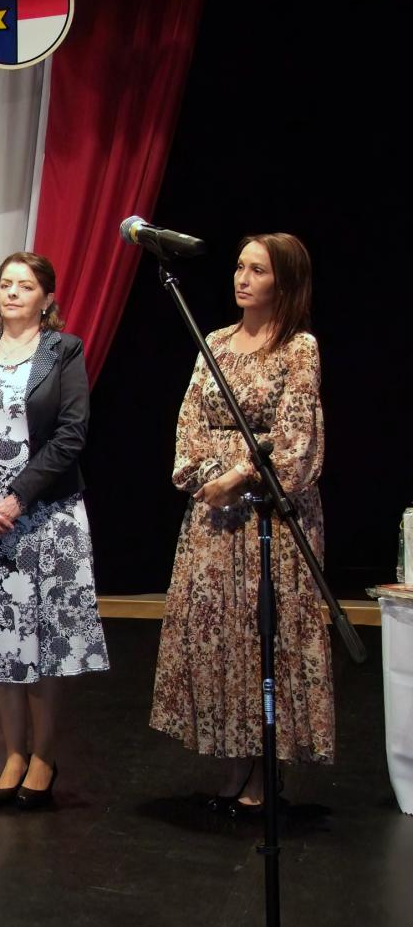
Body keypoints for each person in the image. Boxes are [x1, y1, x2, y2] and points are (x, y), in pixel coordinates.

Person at [150, 233, 331, 812]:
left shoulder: (298, 347)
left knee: (265, 637)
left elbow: (297, 435)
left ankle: (265, 771)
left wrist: (243, 475)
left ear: (285, 282)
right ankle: (233, 763)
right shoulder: (215, 342)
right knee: (223, 636)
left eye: (257, 270)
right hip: (214, 516)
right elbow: (189, 424)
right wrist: (212, 477)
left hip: (269, 514)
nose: (242, 278)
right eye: (239, 266)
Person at [0, 252, 108, 810]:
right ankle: (13, 752)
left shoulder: (64, 350)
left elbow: (72, 433)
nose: (12, 292)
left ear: (46, 298)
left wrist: (16, 497)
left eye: (25, 285)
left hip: (44, 518)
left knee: (45, 640)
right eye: (6, 283)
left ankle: (44, 756)